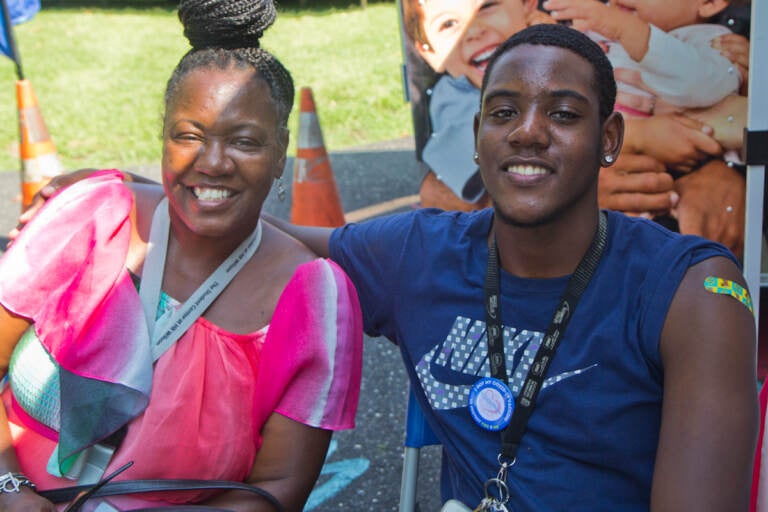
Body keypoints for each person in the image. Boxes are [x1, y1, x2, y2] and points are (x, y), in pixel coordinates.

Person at [36, 23, 757, 510]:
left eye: (563, 114)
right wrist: (134, 192)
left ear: (609, 140)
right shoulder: (420, 254)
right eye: (503, 111)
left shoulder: (694, 293)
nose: (528, 131)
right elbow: (286, 238)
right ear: (478, 139)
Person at [0, 0, 363, 510]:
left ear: (281, 151)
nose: (212, 163)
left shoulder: (313, 301)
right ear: (164, 139)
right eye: (189, 136)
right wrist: (8, 488)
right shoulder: (92, 216)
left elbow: (275, 491)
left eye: (244, 141)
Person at [401, 0, 554, 211]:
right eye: (449, 24)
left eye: (486, 6)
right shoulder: (454, 102)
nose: (473, 30)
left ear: (528, 6)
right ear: (431, 55)